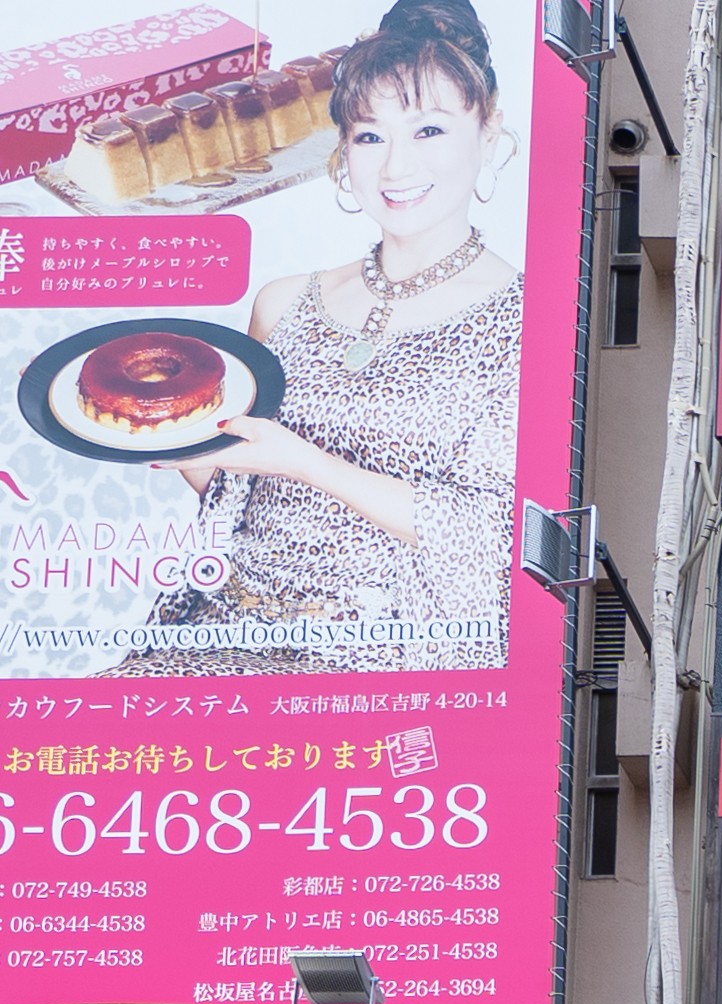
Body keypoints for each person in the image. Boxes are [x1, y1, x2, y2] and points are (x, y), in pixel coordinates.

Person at [145, 0, 524, 678]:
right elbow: (238, 489)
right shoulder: (284, 302)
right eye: (370, 136)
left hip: (385, 658)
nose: (395, 166)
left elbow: (491, 536)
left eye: (430, 129)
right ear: (343, 151)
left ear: (488, 132)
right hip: (219, 633)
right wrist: (174, 441)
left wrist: (306, 461)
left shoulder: (521, 317)